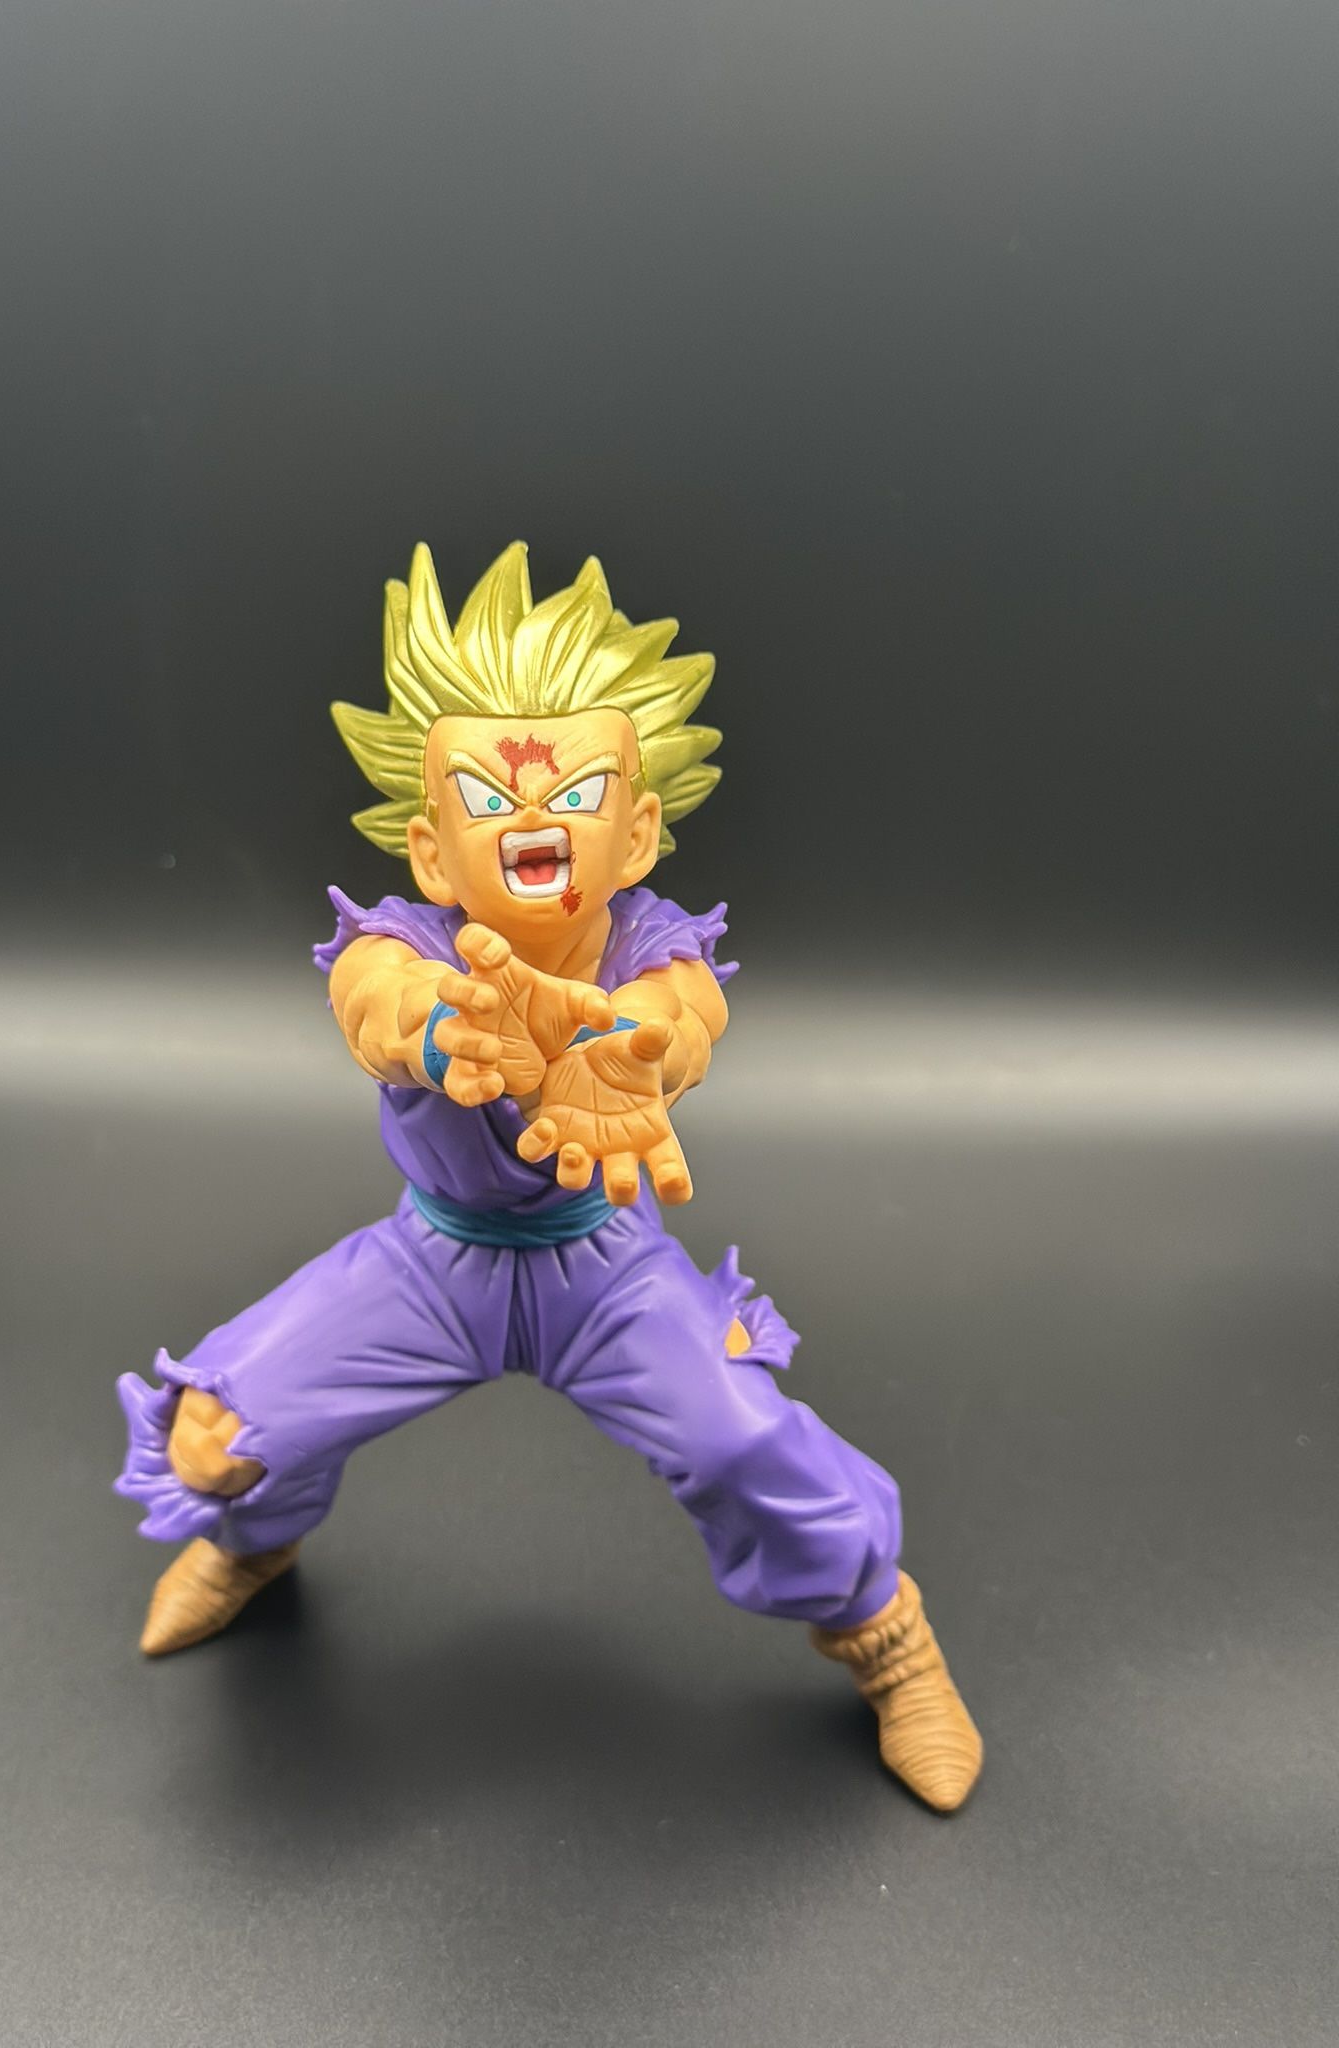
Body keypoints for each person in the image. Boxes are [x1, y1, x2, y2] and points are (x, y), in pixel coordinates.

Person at [115, 542, 983, 1812]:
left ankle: (889, 1639)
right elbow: (373, 997)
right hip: (431, 1265)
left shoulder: (653, 946)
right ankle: (256, 1541)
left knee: (740, 1437)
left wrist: (634, 1054)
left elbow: (683, 1012)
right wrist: (446, 1030)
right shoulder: (402, 940)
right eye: (488, 791)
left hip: (605, 1267)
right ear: (431, 850)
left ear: (638, 832)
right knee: (217, 1432)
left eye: (578, 787)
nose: (534, 815)